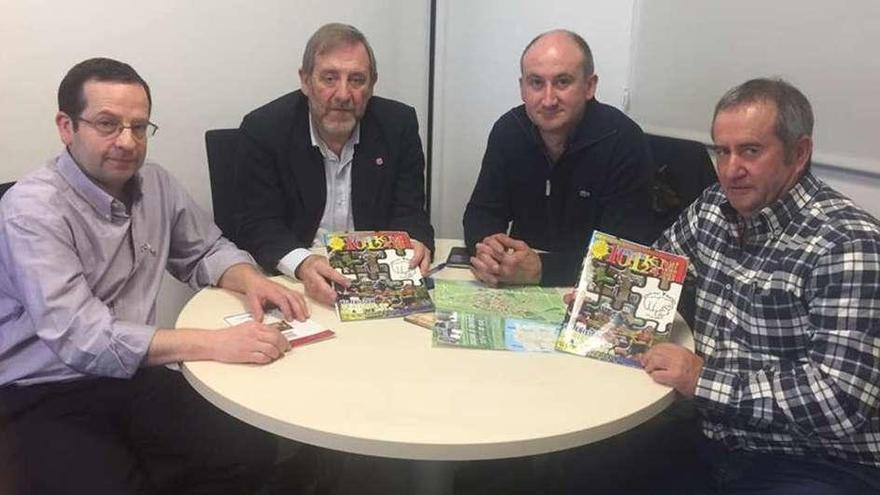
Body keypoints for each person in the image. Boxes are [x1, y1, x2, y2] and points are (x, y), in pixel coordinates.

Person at [0, 57, 311, 495]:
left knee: (250, 450)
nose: (127, 142)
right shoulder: (32, 209)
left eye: (140, 127)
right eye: (107, 124)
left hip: (132, 377)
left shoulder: (157, 185)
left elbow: (205, 249)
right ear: (67, 127)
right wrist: (215, 344)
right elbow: (81, 338)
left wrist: (251, 279)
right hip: (44, 388)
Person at [641, 78, 880, 494]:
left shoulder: (848, 244)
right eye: (722, 151)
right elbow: (653, 272)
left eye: (751, 150)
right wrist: (593, 291)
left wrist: (701, 379)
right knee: (588, 468)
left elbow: (839, 401)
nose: (731, 169)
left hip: (819, 460)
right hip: (715, 435)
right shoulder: (712, 209)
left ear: (799, 153)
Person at [235, 23, 435, 305]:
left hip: (375, 283)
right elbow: (257, 224)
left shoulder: (397, 125)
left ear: (372, 84)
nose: (343, 95)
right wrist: (303, 264)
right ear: (305, 81)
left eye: (356, 80)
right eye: (329, 78)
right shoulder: (264, 129)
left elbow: (410, 210)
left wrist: (415, 241)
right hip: (294, 284)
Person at [463, 29, 656, 287]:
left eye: (563, 82)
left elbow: (624, 254)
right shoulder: (509, 131)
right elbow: (482, 212)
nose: (549, 99)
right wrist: (490, 252)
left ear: (589, 86)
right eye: (536, 83)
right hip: (517, 284)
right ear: (522, 88)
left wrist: (542, 270)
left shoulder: (623, 140)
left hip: (589, 291)